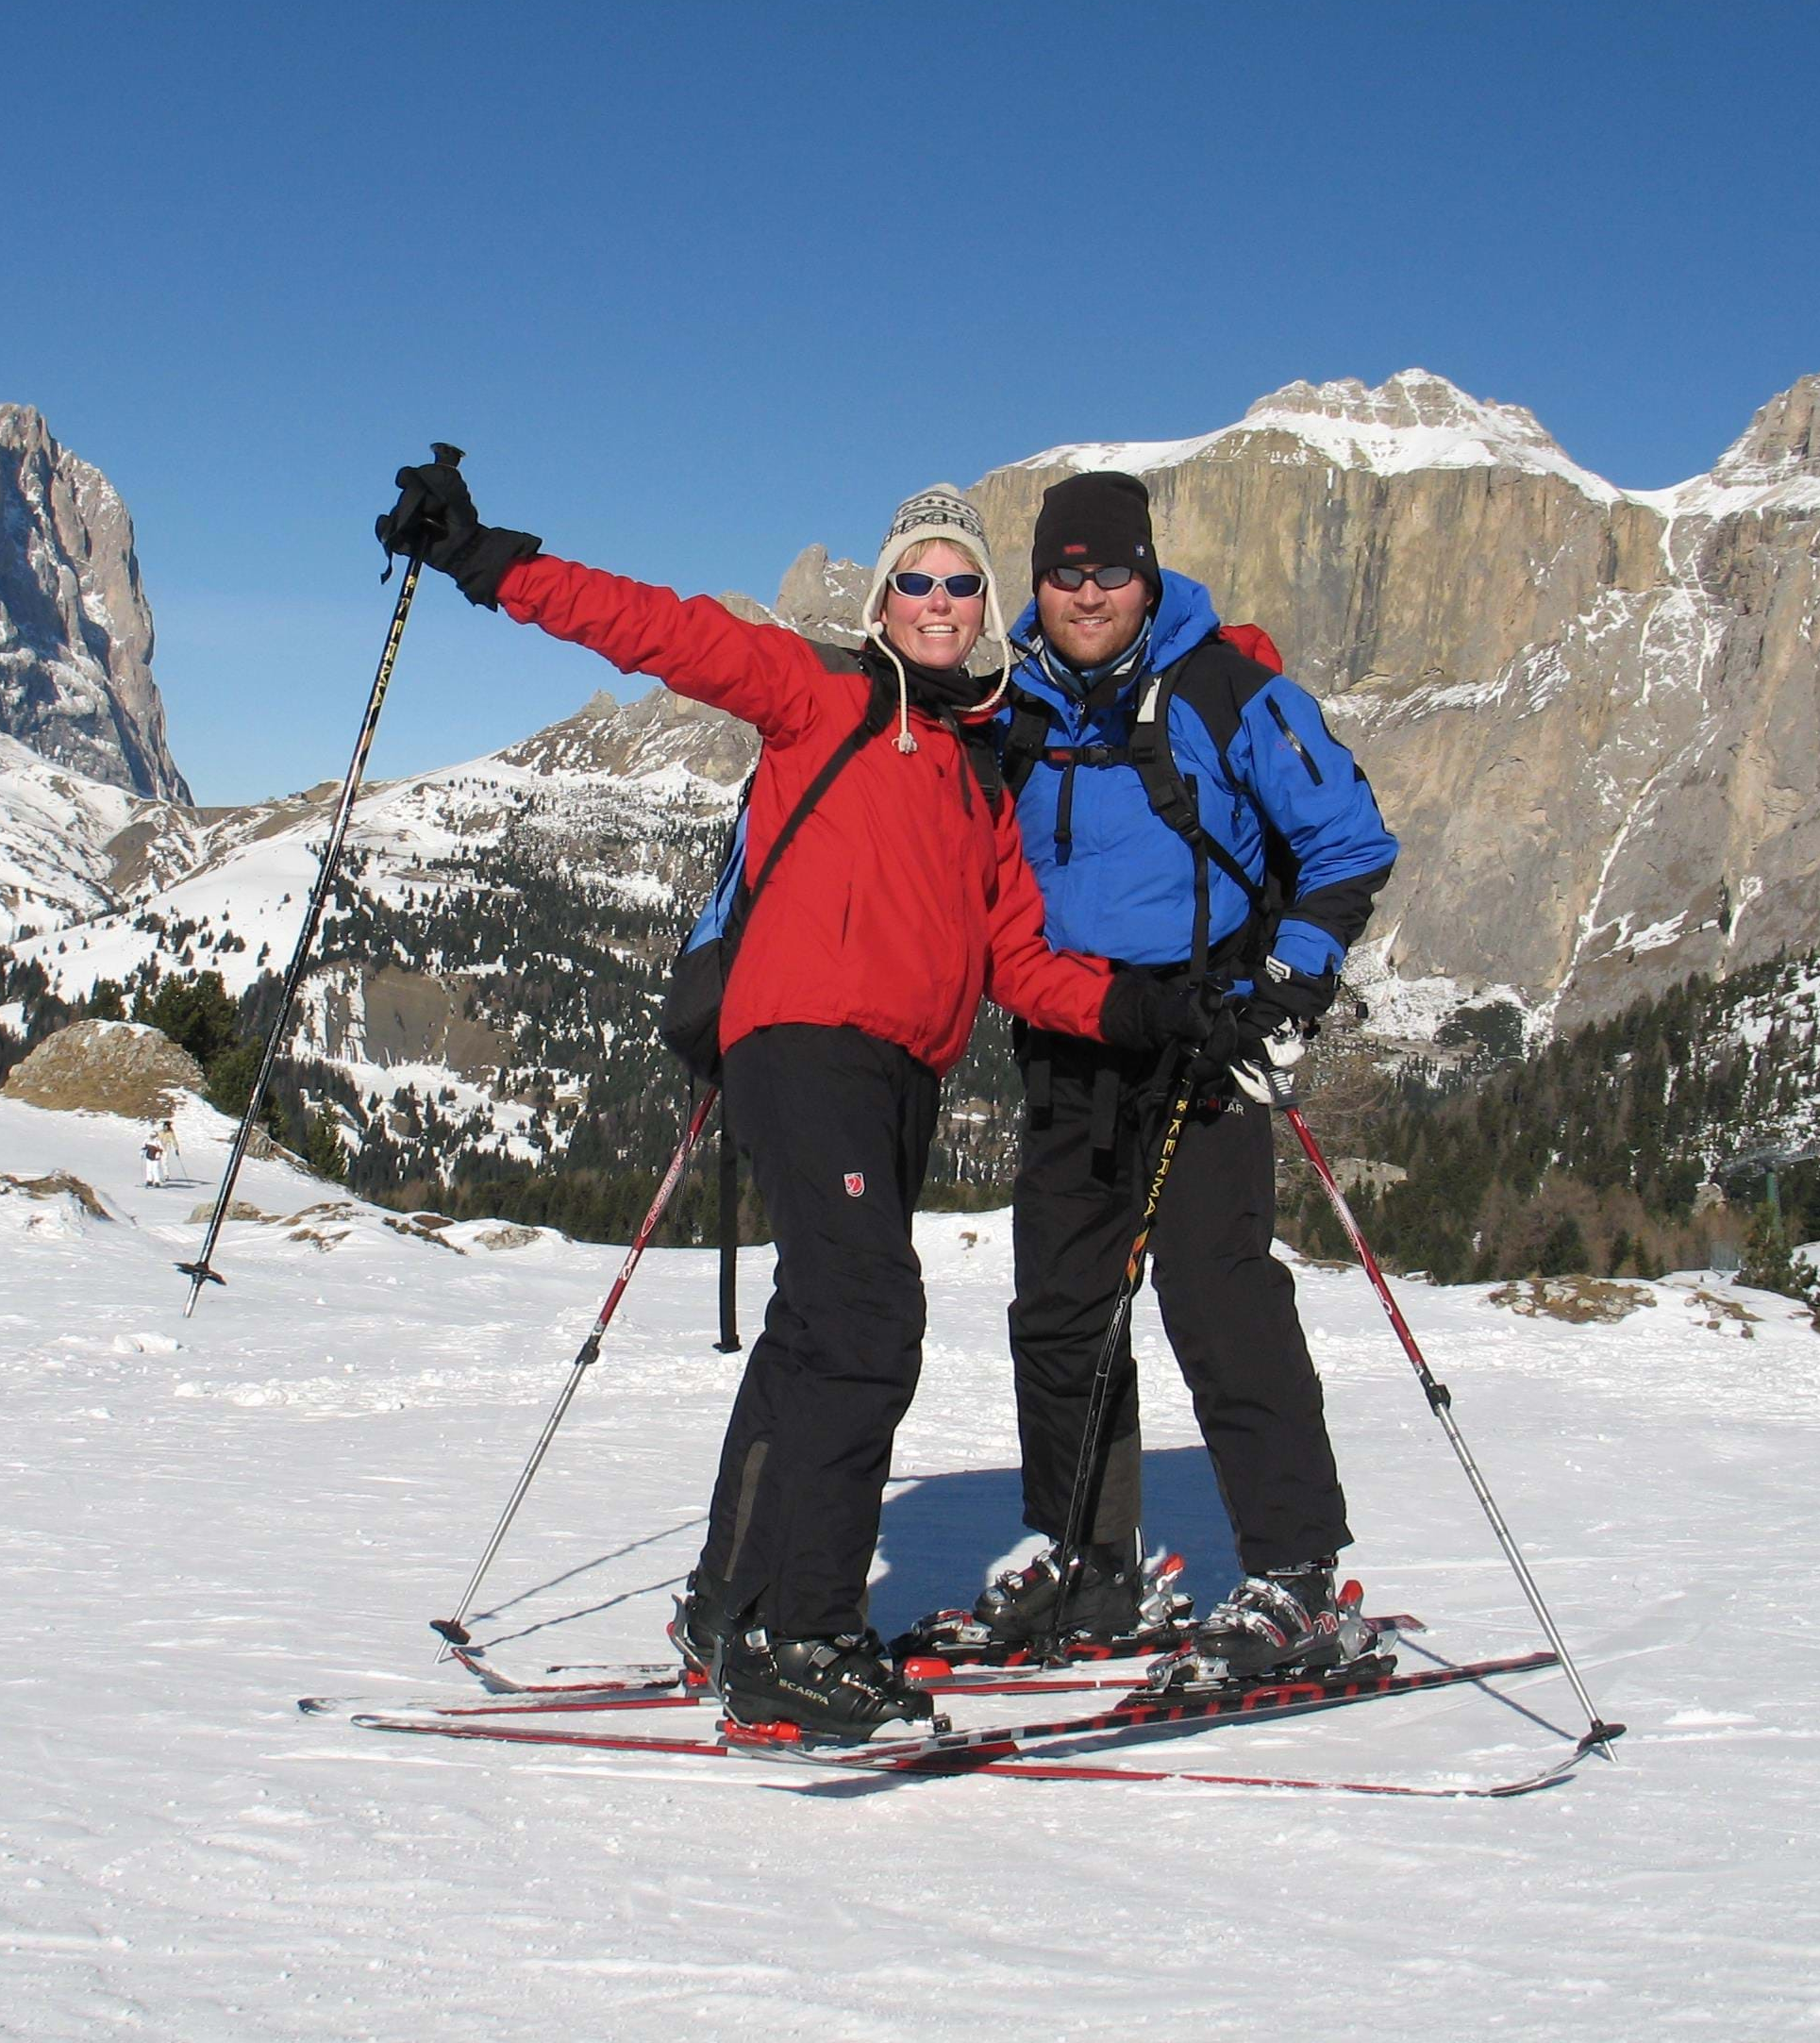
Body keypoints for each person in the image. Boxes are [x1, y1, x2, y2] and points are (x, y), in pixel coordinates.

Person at [377, 461, 1217, 1741]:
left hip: (902, 1075)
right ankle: (802, 1639)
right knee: (870, 1321)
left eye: (961, 582)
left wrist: (1154, 1010)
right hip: (802, 1043)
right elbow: (661, 626)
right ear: (884, 603)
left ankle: (732, 1600)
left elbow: (1023, 963)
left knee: (816, 1331)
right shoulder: (818, 690)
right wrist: (489, 561)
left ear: (988, 609)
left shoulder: (975, 770)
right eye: (916, 581)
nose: (939, 599)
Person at [947, 468, 1399, 1689]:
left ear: (1147, 576)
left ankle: (1296, 1575)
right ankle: (1087, 1558)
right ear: (1034, 585)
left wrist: (1284, 988)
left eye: (1110, 570)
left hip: (1204, 1039)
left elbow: (1349, 840)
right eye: (1063, 571)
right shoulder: (1013, 707)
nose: (1087, 592)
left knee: (1219, 1300)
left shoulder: (1226, 689)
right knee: (1059, 1311)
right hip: (1072, 1039)